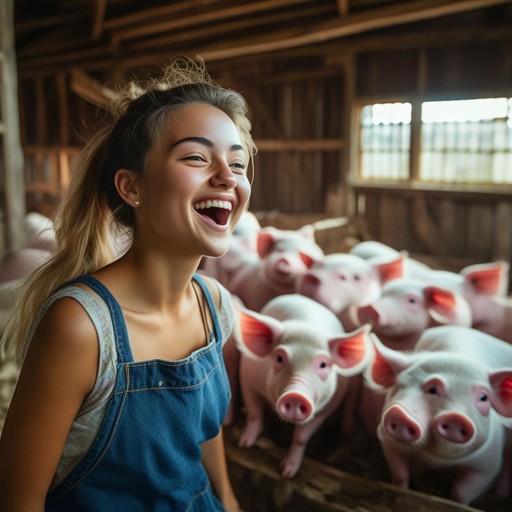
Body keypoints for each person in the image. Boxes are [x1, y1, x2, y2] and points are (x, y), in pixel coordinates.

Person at [0, 55, 256, 511]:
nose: (227, 177)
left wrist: (229, 500)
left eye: (237, 165)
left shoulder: (214, 304)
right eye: (197, 157)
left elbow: (204, 429)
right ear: (131, 187)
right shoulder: (81, 326)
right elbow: (19, 500)